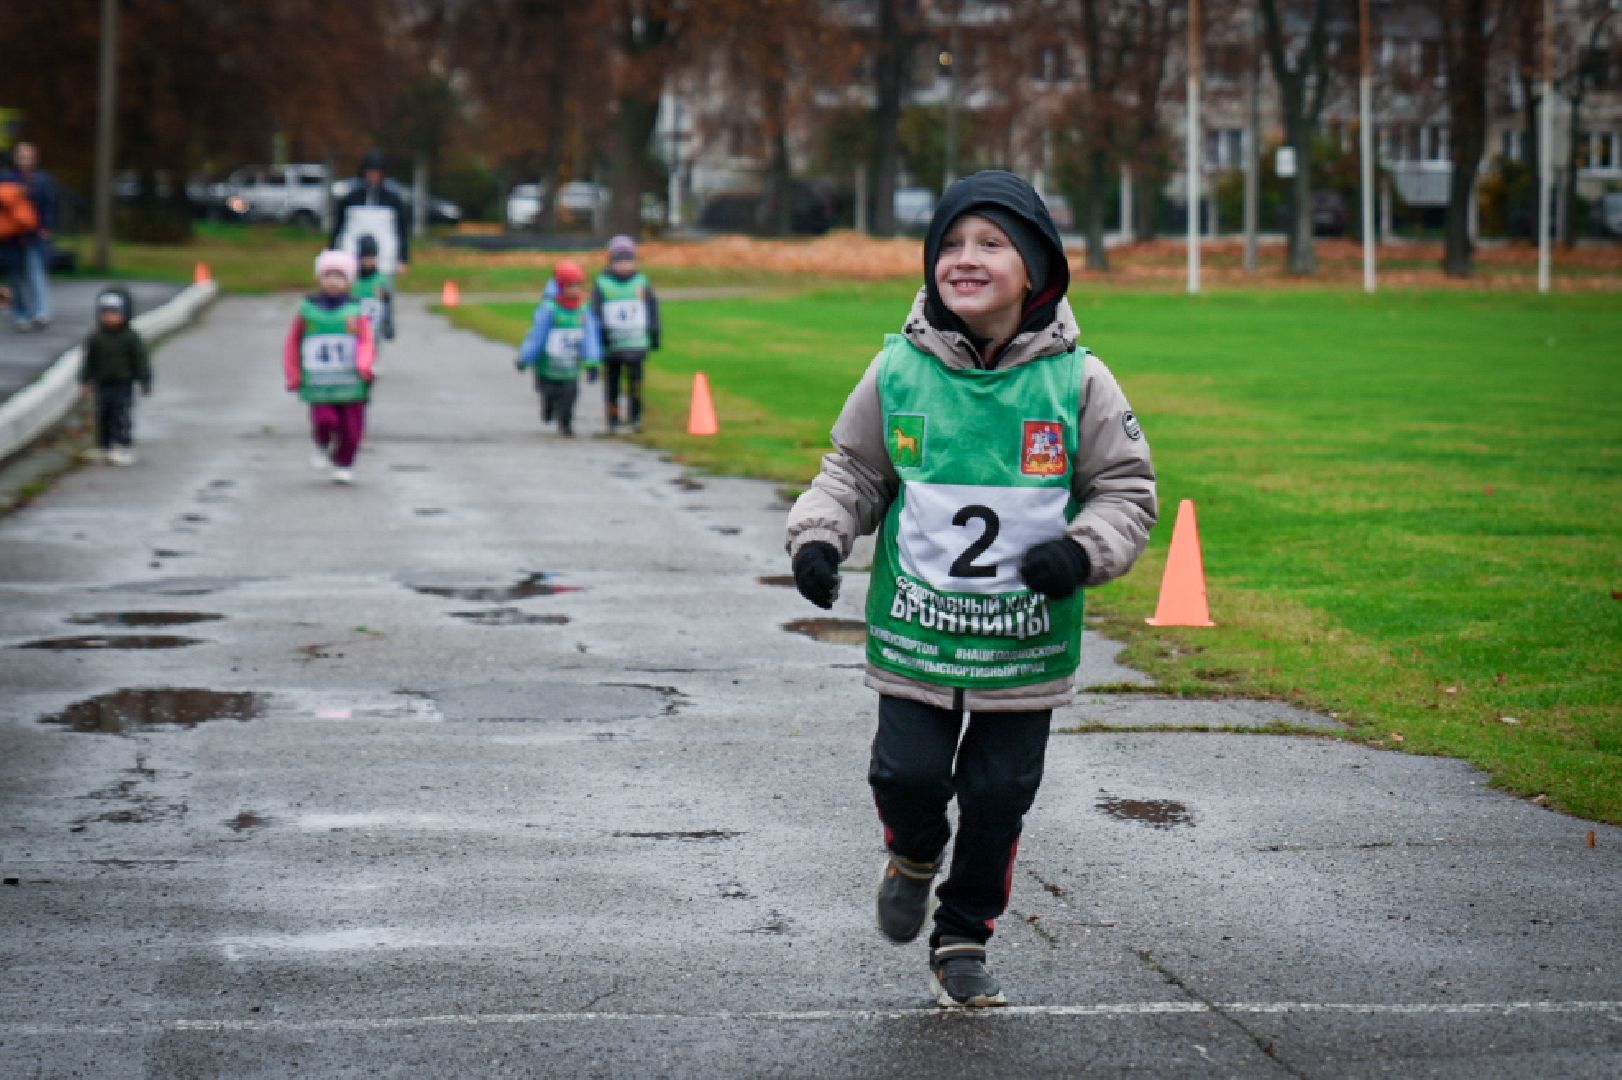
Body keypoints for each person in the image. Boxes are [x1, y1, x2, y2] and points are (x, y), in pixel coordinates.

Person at [782, 170, 1157, 1008]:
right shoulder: (896, 372)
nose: (966, 257)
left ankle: (963, 934)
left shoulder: (1081, 382)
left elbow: (1127, 492)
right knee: (908, 776)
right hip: (919, 633)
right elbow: (853, 471)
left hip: (1024, 642)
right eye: (950, 243)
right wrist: (818, 537)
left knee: (998, 796)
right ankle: (915, 854)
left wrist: (1081, 551)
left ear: (1037, 269)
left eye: (991, 243)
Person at [284, 250, 376, 484]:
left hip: (351, 381)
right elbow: (294, 343)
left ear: (349, 281)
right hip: (319, 381)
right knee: (325, 420)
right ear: (319, 279)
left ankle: (344, 463)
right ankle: (322, 442)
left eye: (339, 276)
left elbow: (366, 341)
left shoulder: (356, 311)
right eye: (328, 275)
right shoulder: (308, 311)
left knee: (352, 428)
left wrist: (365, 365)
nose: (333, 281)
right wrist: (294, 373)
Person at [515, 260, 601, 437]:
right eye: (571, 286)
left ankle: (566, 423)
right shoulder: (549, 308)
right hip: (548, 366)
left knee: (570, 394)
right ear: (561, 286)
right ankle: (547, 406)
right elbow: (537, 336)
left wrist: (592, 362)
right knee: (550, 392)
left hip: (570, 366)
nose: (575, 290)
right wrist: (525, 358)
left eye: (578, 285)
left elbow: (590, 337)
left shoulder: (583, 310)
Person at [590, 234, 661, 433]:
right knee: (613, 382)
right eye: (619, 261)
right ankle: (612, 415)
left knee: (636, 381)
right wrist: (600, 334)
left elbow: (652, 308)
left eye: (628, 260)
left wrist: (655, 332)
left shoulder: (641, 282)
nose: (624, 265)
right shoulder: (603, 284)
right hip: (612, 344)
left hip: (636, 342)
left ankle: (635, 416)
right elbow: (595, 312)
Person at [77, 286, 151, 466]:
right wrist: (85, 380)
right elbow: (89, 361)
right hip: (103, 383)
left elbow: (140, 360)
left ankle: (123, 446)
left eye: (114, 314)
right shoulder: (96, 337)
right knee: (103, 415)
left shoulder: (130, 338)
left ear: (124, 314)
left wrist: (144, 380)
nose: (110, 318)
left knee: (121, 415)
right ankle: (104, 446)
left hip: (123, 383)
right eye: (106, 314)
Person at [0, 142, 56, 331]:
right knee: (16, 277)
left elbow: (48, 205)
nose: (25, 160)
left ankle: (40, 312)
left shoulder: (41, 180)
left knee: (36, 272)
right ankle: (20, 313)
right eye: (21, 156)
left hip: (34, 235)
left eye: (28, 156)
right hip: (11, 237)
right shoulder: (7, 179)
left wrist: (46, 227)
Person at [330, 151, 409, 279]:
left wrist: (403, 259)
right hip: (351, 254)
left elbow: (401, 231)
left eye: (377, 173)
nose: (373, 176)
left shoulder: (393, 200)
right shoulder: (350, 198)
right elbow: (338, 228)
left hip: (385, 258)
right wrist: (333, 253)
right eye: (370, 172)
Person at [353, 234, 395, 345]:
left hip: (374, 325)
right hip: (356, 325)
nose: (368, 261)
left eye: (371, 258)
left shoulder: (380, 280)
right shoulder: (354, 279)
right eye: (365, 258)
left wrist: (388, 325)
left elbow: (387, 304)